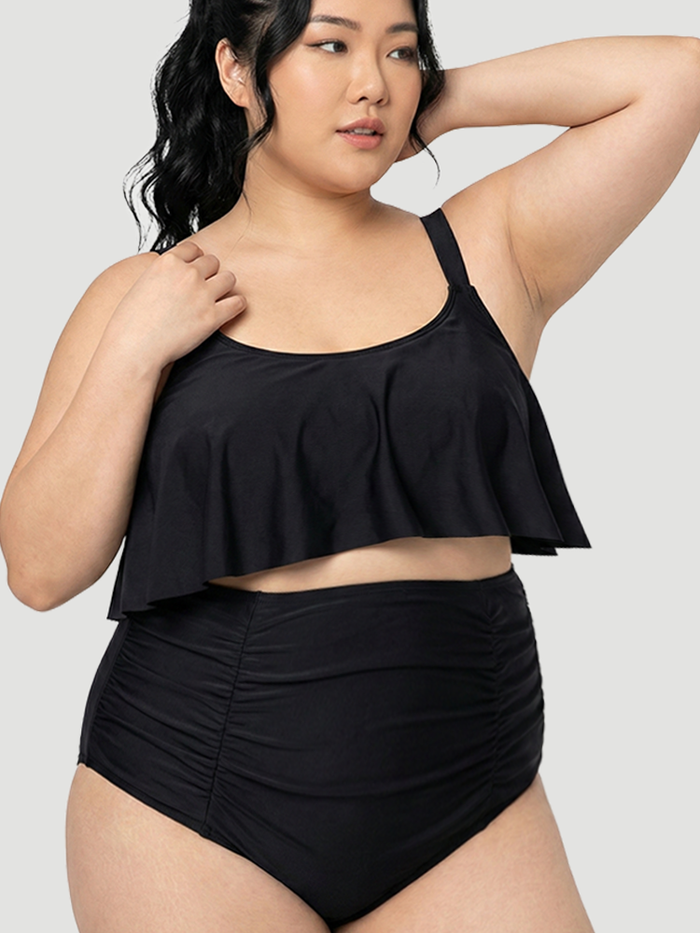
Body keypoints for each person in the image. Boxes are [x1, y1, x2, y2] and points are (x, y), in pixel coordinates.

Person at [0, 0, 698, 930]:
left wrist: (433, 102)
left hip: (470, 792)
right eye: (330, 44)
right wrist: (133, 350)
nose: (371, 81)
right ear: (238, 71)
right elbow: (40, 570)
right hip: (193, 797)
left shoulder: (491, 250)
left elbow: (677, 75)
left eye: (399, 51)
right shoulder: (144, 294)